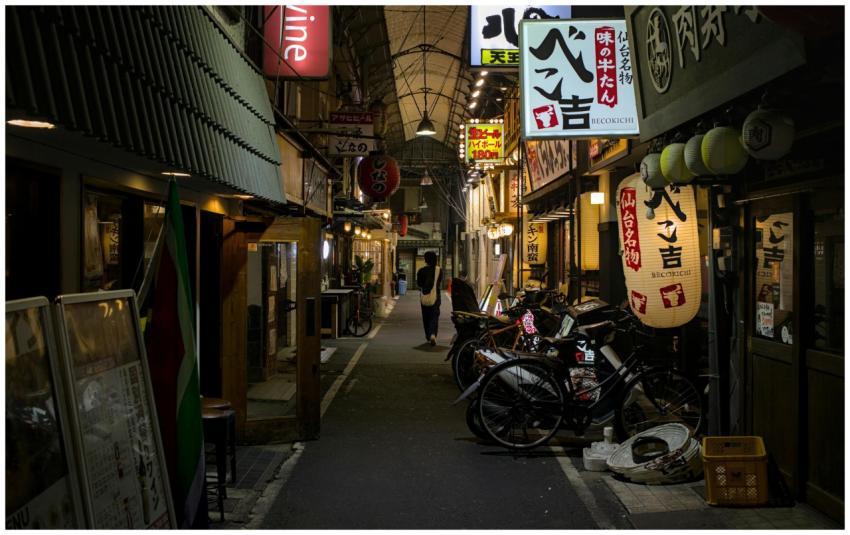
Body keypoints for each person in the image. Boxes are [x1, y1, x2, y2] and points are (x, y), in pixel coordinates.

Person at [416, 251, 442, 345]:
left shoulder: (421, 270)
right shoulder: (439, 270)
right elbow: (439, 283)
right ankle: (433, 334)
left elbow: (419, 284)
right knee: (434, 315)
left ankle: (428, 336)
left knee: (426, 316)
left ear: (426, 260)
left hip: (424, 295)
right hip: (436, 296)